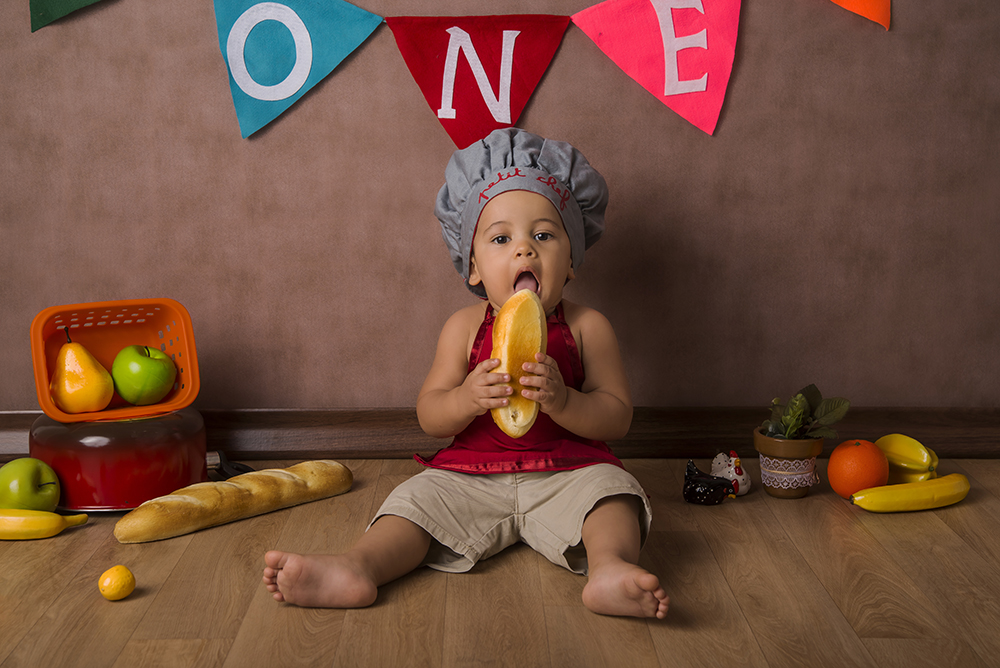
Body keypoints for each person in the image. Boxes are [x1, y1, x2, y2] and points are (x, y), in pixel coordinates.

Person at [262, 128, 668, 619]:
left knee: (614, 493)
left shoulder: (588, 327)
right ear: (472, 266)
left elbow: (617, 418)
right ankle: (356, 566)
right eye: (501, 238)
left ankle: (609, 569)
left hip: (568, 470)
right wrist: (468, 398)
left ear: (572, 262)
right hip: (470, 475)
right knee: (412, 499)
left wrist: (565, 402)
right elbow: (430, 414)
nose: (524, 251)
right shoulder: (462, 328)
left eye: (543, 235)